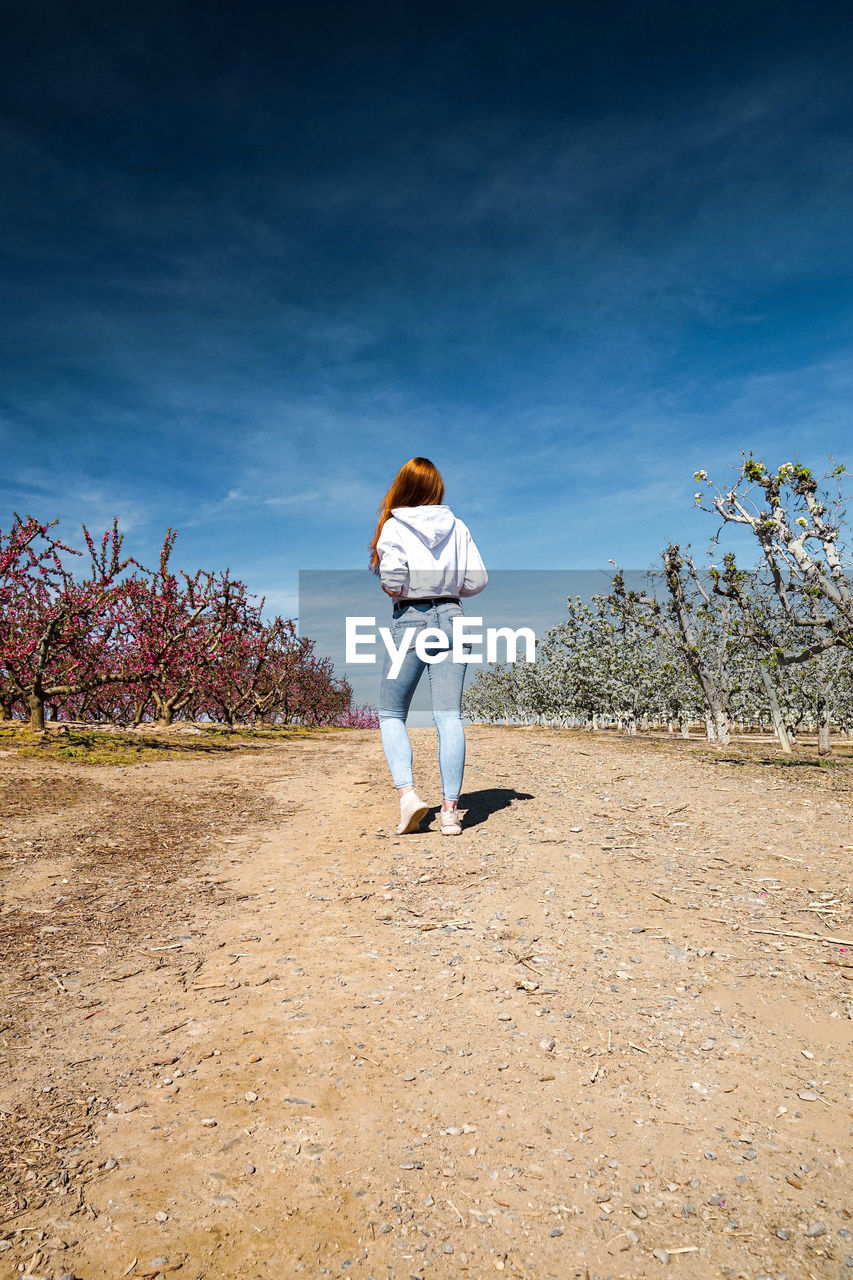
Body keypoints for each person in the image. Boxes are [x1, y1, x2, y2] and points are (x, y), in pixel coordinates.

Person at [369, 457, 488, 836]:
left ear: (403, 487)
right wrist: (449, 590)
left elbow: (392, 579)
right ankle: (450, 813)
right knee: (448, 716)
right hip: (453, 617)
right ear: (436, 488)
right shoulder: (459, 526)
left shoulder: (394, 526)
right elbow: (478, 580)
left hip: (410, 619)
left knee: (391, 714)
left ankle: (408, 796)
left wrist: (407, 589)